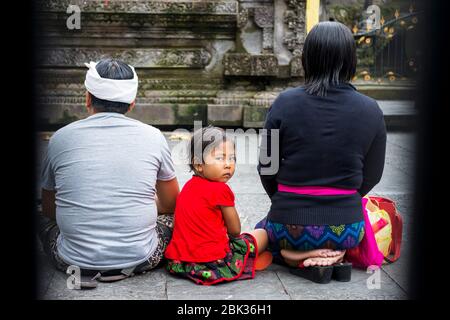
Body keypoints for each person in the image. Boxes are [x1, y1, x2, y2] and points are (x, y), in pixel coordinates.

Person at [256, 21, 387, 283]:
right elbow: (373, 174)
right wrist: (342, 201)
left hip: (288, 227)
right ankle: (334, 254)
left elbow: (266, 167)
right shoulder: (371, 109)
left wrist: (283, 201)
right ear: (351, 60)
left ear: (308, 59)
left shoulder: (284, 102)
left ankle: (294, 255)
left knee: (262, 231)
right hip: (347, 230)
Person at [38, 58, 180, 288]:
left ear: (87, 98)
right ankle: (123, 266)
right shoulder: (154, 137)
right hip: (143, 258)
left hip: (69, 259)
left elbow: (49, 208)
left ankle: (87, 266)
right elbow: (172, 203)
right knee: (176, 217)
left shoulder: (60, 138)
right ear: (132, 102)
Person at [164, 126, 271, 285]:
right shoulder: (221, 190)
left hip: (180, 262)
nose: (228, 164)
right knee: (262, 234)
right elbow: (235, 231)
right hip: (213, 262)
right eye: (220, 158)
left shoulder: (187, 187)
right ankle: (251, 259)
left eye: (232, 158)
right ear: (199, 164)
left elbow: (179, 223)